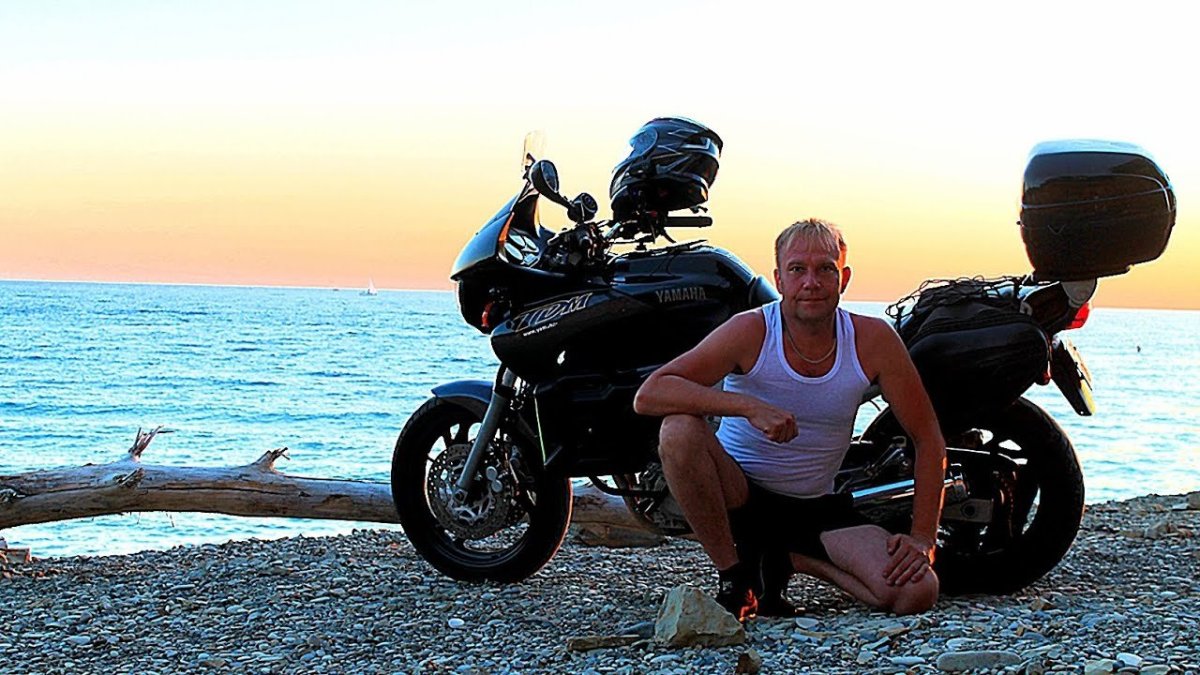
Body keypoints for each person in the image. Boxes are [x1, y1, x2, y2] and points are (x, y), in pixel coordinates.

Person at [633, 219, 946, 620]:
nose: (810, 282)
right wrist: (748, 407)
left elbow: (928, 439)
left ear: (844, 278)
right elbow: (651, 394)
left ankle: (787, 558)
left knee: (918, 591)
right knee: (678, 429)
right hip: (739, 497)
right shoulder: (750, 330)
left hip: (815, 509)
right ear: (779, 279)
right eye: (798, 269)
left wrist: (923, 538)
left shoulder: (873, 340)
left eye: (825, 269)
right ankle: (735, 579)